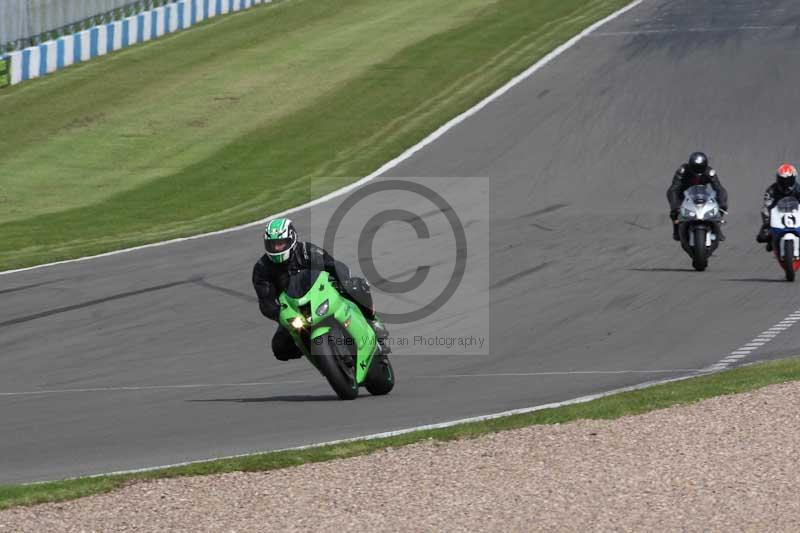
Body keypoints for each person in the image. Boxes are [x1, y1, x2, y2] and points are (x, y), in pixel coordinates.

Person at [252, 217, 389, 361]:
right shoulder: (262, 269)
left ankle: (373, 322)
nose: (277, 248)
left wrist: (345, 281)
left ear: (292, 239)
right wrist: (280, 314)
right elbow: (265, 301)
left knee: (356, 286)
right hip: (295, 311)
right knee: (279, 348)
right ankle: (316, 352)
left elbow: (332, 265)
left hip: (322, 293)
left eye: (280, 243)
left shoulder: (305, 250)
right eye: (272, 244)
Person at [667, 152, 729, 241]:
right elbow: (674, 188)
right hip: (684, 194)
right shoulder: (682, 171)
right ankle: (676, 231)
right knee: (674, 212)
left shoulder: (710, 172)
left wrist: (722, 202)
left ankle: (717, 229)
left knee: (719, 207)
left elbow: (719, 188)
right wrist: (674, 205)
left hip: (702, 194)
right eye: (695, 168)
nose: (697, 171)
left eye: (700, 168)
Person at [757, 164, 800, 251]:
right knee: (762, 237)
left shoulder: (798, 189)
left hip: (795, 213)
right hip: (778, 213)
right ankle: (771, 237)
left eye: (788, 180)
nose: (786, 183)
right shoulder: (771, 190)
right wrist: (767, 221)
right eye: (783, 181)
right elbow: (767, 205)